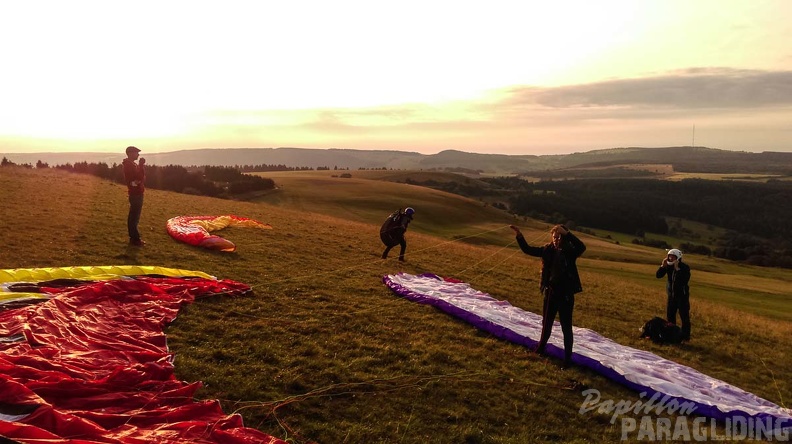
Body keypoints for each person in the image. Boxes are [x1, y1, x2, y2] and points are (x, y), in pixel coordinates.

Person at [510, 224, 586, 369]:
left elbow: (582, 247)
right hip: (551, 292)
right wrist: (519, 236)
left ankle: (567, 359)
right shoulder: (547, 250)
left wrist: (567, 233)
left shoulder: (570, 252)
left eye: (559, 237)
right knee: (547, 323)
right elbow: (528, 249)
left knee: (566, 327)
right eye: (554, 237)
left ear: (564, 238)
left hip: (566, 295)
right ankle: (540, 349)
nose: (557, 239)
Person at [656, 248, 691, 341]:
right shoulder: (668, 266)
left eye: (673, 257)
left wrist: (677, 269)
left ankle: (685, 336)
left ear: (678, 257)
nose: (670, 258)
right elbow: (658, 275)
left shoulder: (684, 267)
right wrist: (662, 267)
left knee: (684, 317)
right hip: (671, 296)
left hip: (682, 297)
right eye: (669, 256)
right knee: (670, 316)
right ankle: (672, 334)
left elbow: (684, 280)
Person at [122, 146, 146, 246]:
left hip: (137, 193)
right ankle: (135, 239)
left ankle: (134, 238)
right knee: (134, 217)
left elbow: (141, 177)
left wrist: (140, 166)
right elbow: (138, 177)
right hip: (135, 194)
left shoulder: (132, 164)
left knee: (135, 217)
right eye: (136, 152)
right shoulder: (129, 165)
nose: (138, 154)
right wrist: (141, 165)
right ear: (131, 153)